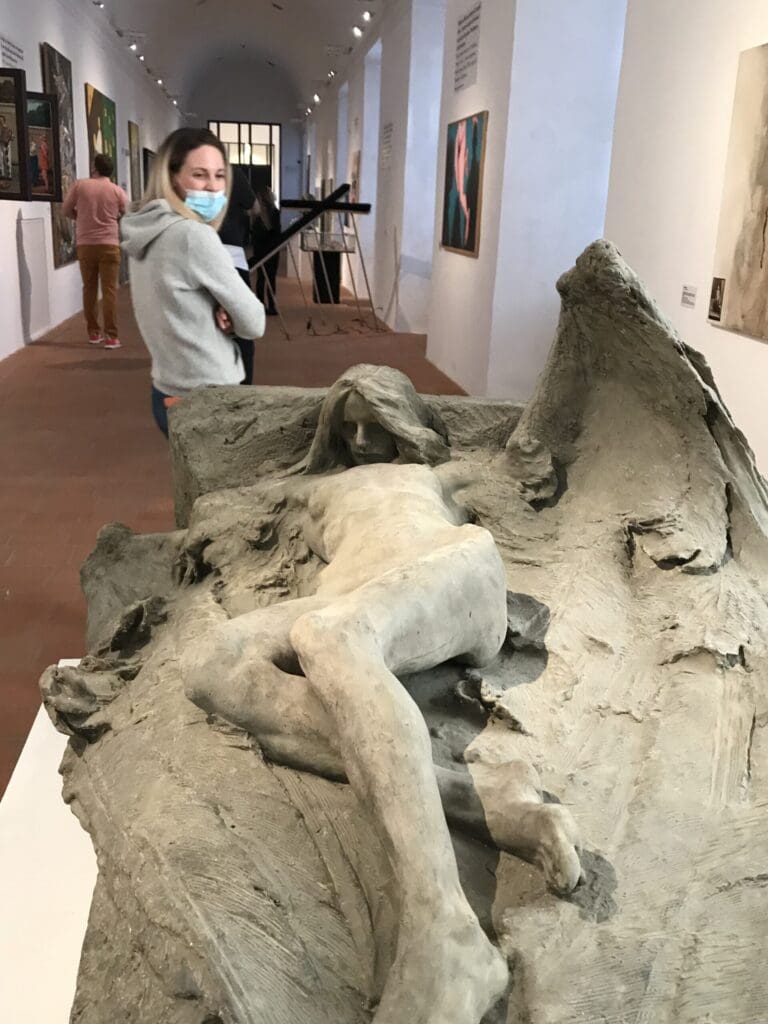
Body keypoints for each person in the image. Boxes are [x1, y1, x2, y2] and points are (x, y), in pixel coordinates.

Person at [182, 365, 582, 1024]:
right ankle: (483, 798)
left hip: (450, 574)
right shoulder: (311, 490)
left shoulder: (438, 475)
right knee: (211, 662)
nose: (365, 441)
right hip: (352, 602)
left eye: (378, 424)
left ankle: (446, 934)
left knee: (330, 636)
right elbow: (224, 506)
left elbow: (533, 471)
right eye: (350, 428)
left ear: (406, 422)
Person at [121, 127, 265, 437]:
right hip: (210, 396)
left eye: (219, 175)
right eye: (199, 175)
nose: (212, 186)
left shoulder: (143, 230)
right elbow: (255, 322)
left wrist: (223, 313)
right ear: (172, 177)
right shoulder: (193, 236)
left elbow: (176, 304)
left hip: (167, 388)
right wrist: (234, 316)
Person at [62, 153, 128, 348]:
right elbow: (127, 212)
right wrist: (113, 219)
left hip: (86, 244)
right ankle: (111, 336)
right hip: (109, 244)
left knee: (89, 289)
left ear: (95, 168)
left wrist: (81, 218)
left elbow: (65, 210)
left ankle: (93, 332)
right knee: (109, 291)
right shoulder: (116, 190)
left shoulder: (80, 186)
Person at [218, 165, 257, 383]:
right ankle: (244, 383)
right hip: (231, 254)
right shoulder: (232, 172)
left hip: (196, 250)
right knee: (243, 325)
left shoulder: (187, 168)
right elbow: (252, 204)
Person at [251, 184, 281, 315]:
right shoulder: (274, 213)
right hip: (272, 249)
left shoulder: (256, 215)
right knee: (271, 278)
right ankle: (272, 306)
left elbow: (254, 234)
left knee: (261, 278)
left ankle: (261, 305)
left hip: (261, 250)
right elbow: (277, 232)